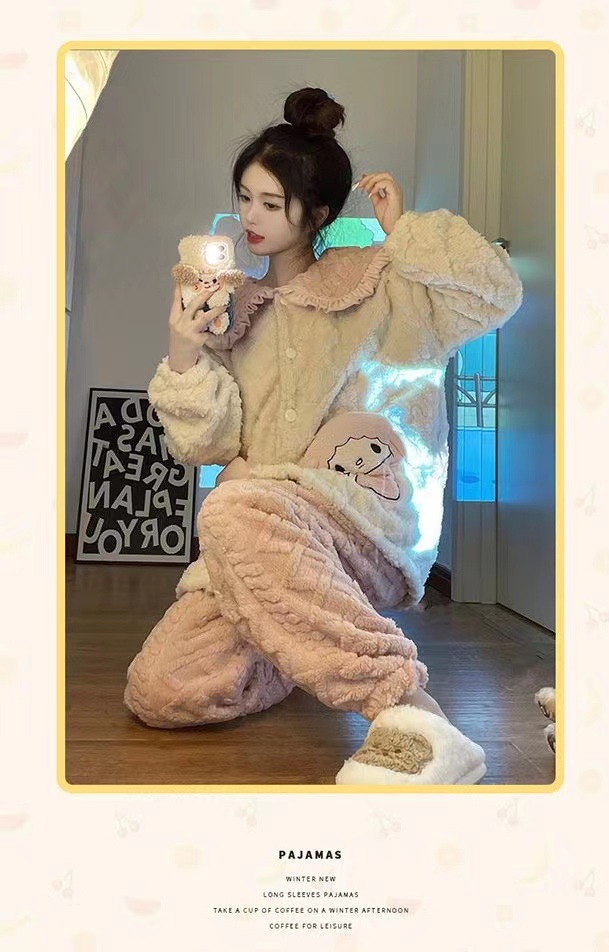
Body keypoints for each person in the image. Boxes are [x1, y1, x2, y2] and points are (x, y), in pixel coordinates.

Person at [123, 87, 523, 785]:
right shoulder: (234, 310)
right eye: (244, 198)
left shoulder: (381, 286)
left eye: (271, 203)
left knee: (231, 505)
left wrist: (405, 232)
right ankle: (299, 638)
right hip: (259, 535)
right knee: (161, 691)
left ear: (318, 214)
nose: (250, 217)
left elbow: (497, 293)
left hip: (357, 523)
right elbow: (209, 446)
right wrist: (184, 350)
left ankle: (414, 714)